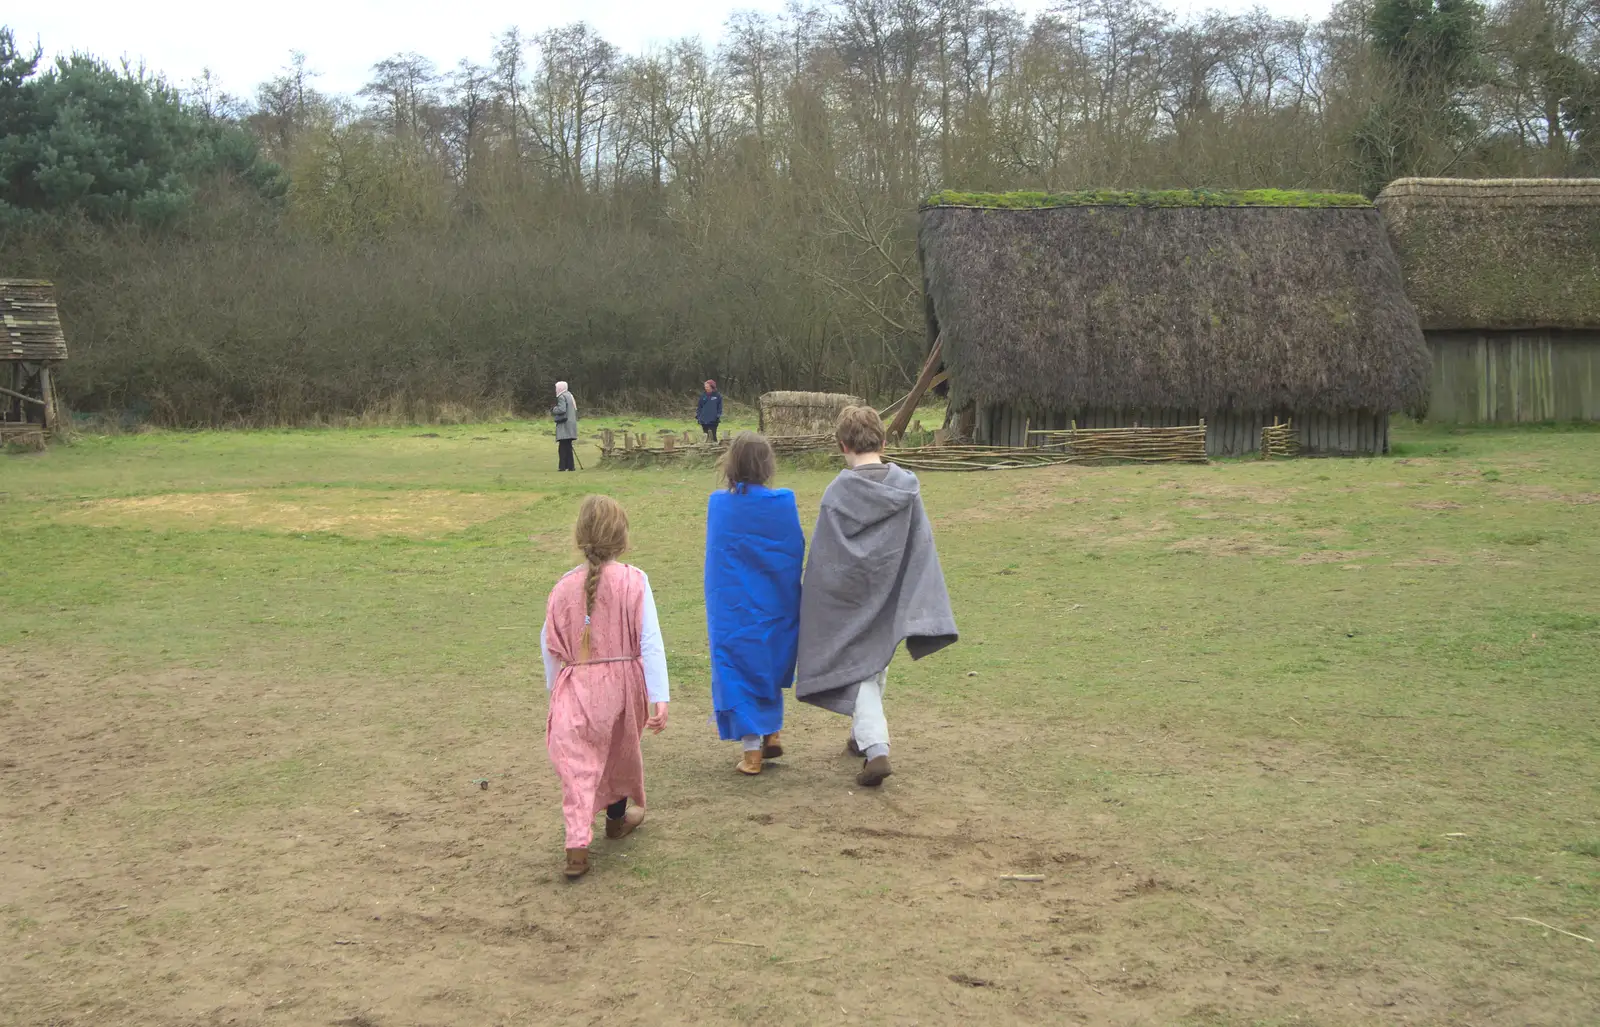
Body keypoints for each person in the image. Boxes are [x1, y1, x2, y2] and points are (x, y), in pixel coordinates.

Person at [795, 406, 957, 787]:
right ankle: (861, 736)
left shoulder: (837, 493)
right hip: (890, 594)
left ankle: (875, 747)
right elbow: (922, 546)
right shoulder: (908, 489)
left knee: (861, 666)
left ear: (842, 446)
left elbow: (825, 557)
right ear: (884, 442)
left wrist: (818, 597)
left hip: (850, 597)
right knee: (873, 661)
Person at [540, 495, 670, 879]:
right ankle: (615, 820)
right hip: (623, 686)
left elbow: (547, 642)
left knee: (579, 766)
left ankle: (577, 845)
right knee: (618, 752)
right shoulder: (635, 580)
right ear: (622, 536)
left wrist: (554, 690)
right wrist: (658, 695)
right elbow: (651, 640)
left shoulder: (562, 586)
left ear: (580, 536)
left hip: (576, 685)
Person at [705, 432, 805, 775]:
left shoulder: (720, 505)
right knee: (768, 661)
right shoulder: (783, 503)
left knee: (736, 667)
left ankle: (752, 752)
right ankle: (772, 731)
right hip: (775, 604)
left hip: (733, 608)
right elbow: (792, 551)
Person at [552, 381, 578, 471]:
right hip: (572, 424)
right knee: (568, 446)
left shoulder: (561, 397)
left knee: (562, 447)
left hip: (564, 424)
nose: (556, 390)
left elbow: (562, 409)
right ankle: (571, 466)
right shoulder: (570, 395)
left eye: (556, 388)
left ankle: (562, 467)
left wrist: (554, 409)